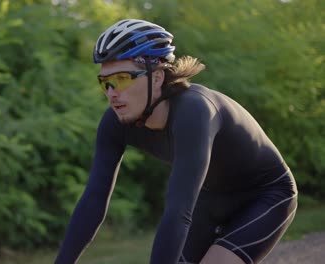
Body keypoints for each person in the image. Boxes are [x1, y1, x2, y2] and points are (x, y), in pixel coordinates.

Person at [54, 19, 298, 264]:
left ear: (157, 77)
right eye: (104, 82)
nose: (111, 93)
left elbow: (178, 211)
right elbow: (93, 202)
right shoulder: (115, 123)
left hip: (265, 195)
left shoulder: (195, 111)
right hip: (210, 200)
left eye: (122, 79)